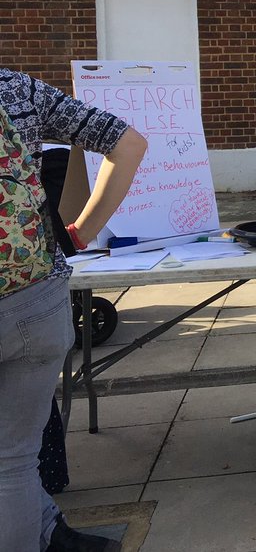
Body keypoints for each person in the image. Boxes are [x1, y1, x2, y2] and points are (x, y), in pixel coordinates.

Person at [1, 67, 147, 552]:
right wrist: (79, 233)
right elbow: (128, 144)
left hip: (29, 302)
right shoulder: (16, 89)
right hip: (30, 298)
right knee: (12, 461)